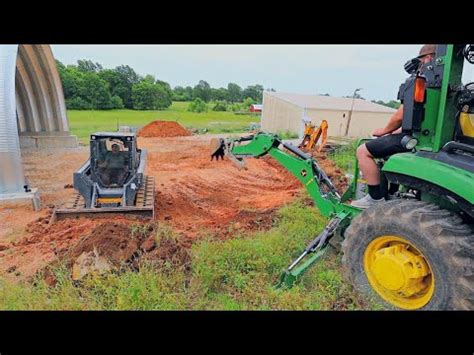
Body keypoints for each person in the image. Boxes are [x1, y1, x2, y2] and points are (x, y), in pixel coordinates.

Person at [351, 44, 436, 209]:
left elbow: (402, 114)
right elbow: (419, 120)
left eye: (421, 60)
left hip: (416, 140)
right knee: (386, 149)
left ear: (429, 58)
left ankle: (375, 199)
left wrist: (385, 131)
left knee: (363, 151)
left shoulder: (424, 80)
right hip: (423, 138)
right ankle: (391, 193)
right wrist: (393, 133)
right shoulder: (448, 86)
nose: (420, 64)